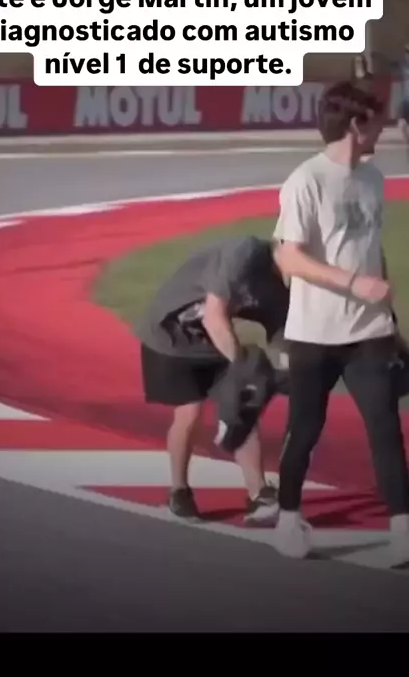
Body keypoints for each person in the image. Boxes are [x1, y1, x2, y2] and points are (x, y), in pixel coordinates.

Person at [272, 80, 409, 563]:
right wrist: (353, 284)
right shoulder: (306, 181)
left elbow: (370, 249)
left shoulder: (373, 178)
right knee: (305, 429)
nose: (384, 128)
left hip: (369, 332)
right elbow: (289, 258)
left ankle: (402, 528)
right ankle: (288, 518)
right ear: (356, 124)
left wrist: (388, 317)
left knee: (386, 428)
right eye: (377, 121)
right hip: (314, 333)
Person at [136, 235, 290, 522]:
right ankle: (179, 491)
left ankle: (258, 493)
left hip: (210, 339)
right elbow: (214, 316)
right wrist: (244, 368)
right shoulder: (245, 252)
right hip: (170, 336)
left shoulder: (278, 291)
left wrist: (292, 371)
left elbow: (282, 339)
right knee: (190, 412)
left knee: (243, 405)